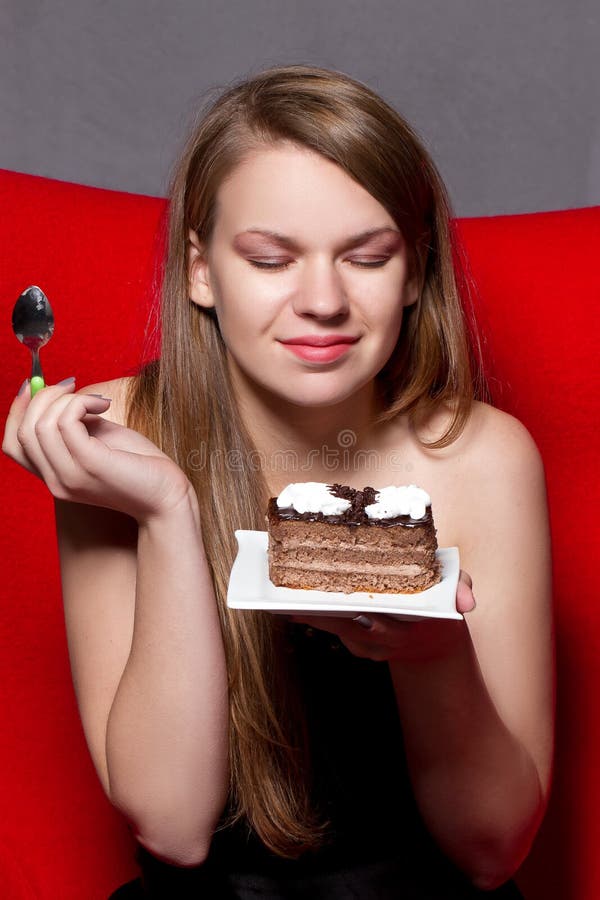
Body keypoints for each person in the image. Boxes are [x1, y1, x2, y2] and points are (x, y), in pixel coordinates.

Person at [2, 65, 553, 899]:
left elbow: (491, 850)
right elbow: (172, 826)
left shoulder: (483, 456)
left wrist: (436, 652)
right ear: (201, 270)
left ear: (413, 273)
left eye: (367, 257)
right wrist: (167, 509)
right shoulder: (113, 438)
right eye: (270, 259)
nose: (323, 300)